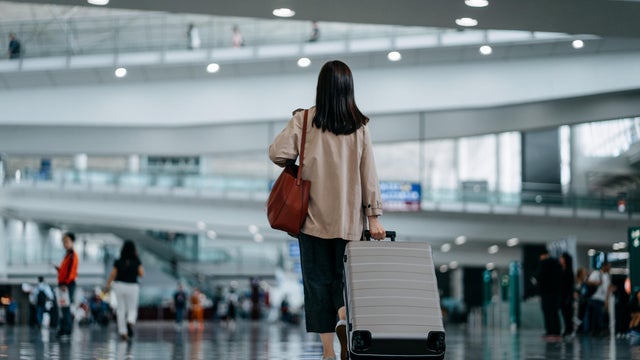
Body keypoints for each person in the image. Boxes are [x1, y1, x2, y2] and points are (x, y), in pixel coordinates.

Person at [269, 60, 386, 360]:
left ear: (320, 88)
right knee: (343, 282)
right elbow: (368, 173)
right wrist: (373, 217)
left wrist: (296, 123)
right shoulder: (360, 127)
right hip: (349, 223)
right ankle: (344, 317)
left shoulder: (306, 120)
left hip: (311, 220)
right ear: (349, 89)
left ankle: (327, 353)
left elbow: (276, 153)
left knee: (317, 283)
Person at [104, 240, 144, 341]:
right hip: (132, 286)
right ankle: (130, 320)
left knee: (121, 309)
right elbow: (141, 274)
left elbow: (113, 274)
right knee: (132, 308)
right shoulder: (136, 260)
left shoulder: (119, 260)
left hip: (119, 285)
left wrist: (107, 285)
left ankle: (123, 332)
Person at [534, 249, 563, 340]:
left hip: (546, 293)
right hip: (556, 293)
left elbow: (539, 277)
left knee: (547, 312)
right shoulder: (556, 263)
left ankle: (550, 332)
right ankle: (557, 332)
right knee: (555, 312)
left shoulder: (543, 264)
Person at [54, 232, 78, 337]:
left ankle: (67, 329)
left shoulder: (72, 255)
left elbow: (70, 272)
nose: (65, 244)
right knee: (63, 307)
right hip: (64, 283)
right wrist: (59, 269)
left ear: (72, 242)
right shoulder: (67, 255)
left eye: (67, 241)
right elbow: (65, 271)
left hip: (67, 284)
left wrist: (65, 283)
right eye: (64, 242)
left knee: (66, 307)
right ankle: (64, 328)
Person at [583, 261, 615, 336]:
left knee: (600, 315)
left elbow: (607, 289)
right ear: (604, 266)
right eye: (609, 266)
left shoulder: (607, 276)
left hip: (602, 299)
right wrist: (596, 283)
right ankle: (594, 331)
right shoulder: (596, 273)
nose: (610, 268)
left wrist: (607, 300)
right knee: (596, 315)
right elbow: (588, 281)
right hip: (595, 298)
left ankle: (600, 330)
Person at [559, 252, 575, 336]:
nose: (560, 260)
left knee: (568, 313)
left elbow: (570, 286)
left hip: (567, 295)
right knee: (564, 313)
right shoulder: (561, 270)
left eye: (561, 258)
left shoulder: (569, 271)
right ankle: (567, 329)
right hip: (562, 295)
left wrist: (570, 295)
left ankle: (569, 329)